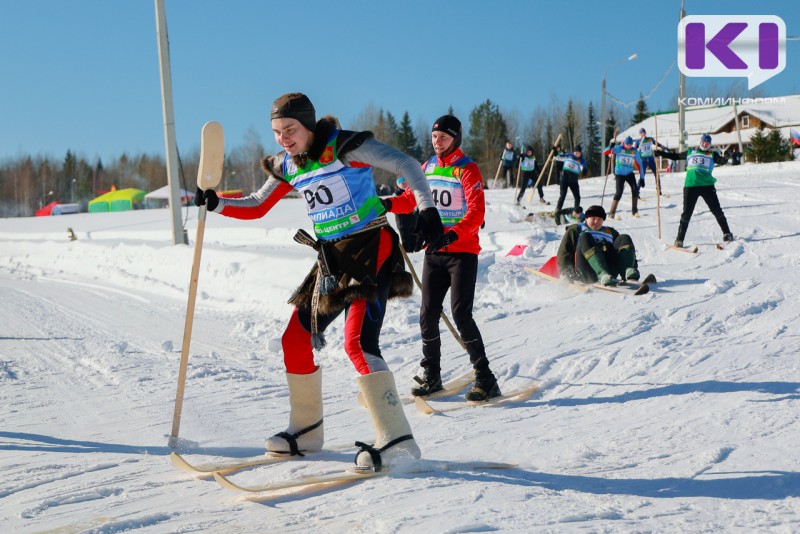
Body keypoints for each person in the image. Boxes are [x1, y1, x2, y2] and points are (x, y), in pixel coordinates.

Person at [194, 92, 445, 471]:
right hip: (331, 258)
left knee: (358, 342)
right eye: (277, 132)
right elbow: (259, 204)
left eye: (290, 130)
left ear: (309, 125)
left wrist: (426, 208)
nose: (283, 139)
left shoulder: (345, 147)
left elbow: (406, 164)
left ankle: (397, 440)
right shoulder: (290, 165)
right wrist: (218, 203)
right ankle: (307, 430)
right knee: (294, 338)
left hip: (368, 247)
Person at [383, 114, 501, 402]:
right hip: (434, 254)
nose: (438, 143)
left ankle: (486, 378)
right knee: (427, 315)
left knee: (461, 313)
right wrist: (386, 203)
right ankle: (432, 376)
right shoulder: (427, 167)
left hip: (462, 253)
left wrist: (452, 235)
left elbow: (477, 213)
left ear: (455, 139)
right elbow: (411, 199)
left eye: (444, 138)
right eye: (435, 137)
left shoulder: (467, 169)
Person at [656, 133, 734, 247]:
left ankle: (727, 233)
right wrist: (661, 154)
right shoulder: (690, 152)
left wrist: (727, 156)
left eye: (707, 142)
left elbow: (722, 161)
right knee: (686, 213)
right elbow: (676, 156)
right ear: (700, 142)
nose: (705, 144)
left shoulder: (712, 154)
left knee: (716, 210)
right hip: (690, 186)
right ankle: (679, 239)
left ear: (709, 144)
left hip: (707, 186)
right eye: (703, 141)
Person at [557, 205, 640, 286]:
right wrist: (566, 274)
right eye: (593, 218)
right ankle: (602, 274)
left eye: (599, 219)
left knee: (624, 237)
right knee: (585, 237)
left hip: (609, 271)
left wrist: (633, 266)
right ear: (586, 218)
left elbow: (626, 251)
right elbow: (564, 252)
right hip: (586, 272)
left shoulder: (610, 232)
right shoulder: (576, 229)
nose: (596, 221)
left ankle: (627, 272)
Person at [607, 136, 643, 219]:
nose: (629, 146)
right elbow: (610, 150)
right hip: (619, 173)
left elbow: (640, 162)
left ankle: (635, 211)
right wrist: (611, 147)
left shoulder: (634, 151)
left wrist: (642, 177)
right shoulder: (619, 148)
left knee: (635, 189)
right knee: (619, 192)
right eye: (627, 144)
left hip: (629, 173)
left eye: (630, 145)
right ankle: (611, 213)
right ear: (624, 143)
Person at [552, 144, 586, 225]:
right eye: (575, 152)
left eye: (578, 153)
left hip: (574, 180)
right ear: (573, 152)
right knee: (563, 195)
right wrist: (554, 151)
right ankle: (557, 212)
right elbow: (557, 157)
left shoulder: (582, 160)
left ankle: (575, 213)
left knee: (577, 197)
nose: (577, 154)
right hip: (564, 179)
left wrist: (584, 170)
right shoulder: (568, 156)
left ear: (581, 153)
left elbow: (584, 168)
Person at [391, 177, 421, 252]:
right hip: (403, 224)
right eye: (401, 180)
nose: (404, 182)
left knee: (414, 243)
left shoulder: (413, 192)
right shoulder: (396, 194)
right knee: (406, 244)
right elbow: (394, 207)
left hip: (414, 222)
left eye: (405, 179)